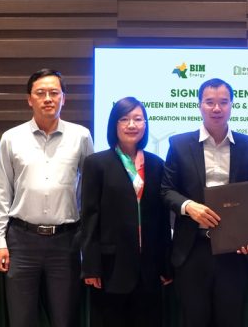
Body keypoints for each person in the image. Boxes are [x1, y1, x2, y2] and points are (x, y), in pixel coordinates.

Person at [0, 69, 93, 327]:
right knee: (21, 318)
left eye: (54, 93)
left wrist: (87, 241)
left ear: (63, 98)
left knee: (64, 319)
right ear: (29, 99)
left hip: (66, 242)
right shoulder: (11, 138)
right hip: (21, 241)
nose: (48, 98)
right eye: (40, 93)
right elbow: (2, 194)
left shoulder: (81, 136)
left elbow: (89, 192)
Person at [161, 78, 248, 327]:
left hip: (233, 251)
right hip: (192, 248)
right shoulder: (179, 144)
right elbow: (166, 190)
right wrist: (188, 206)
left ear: (231, 105)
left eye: (223, 102)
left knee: (231, 320)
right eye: (209, 102)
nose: (217, 108)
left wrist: (246, 235)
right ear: (199, 105)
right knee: (194, 320)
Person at [80, 97, 173, 327]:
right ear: (114, 124)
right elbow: (90, 217)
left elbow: (162, 220)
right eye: (124, 119)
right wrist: (91, 266)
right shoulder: (96, 163)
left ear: (145, 124)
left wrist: (165, 263)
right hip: (111, 267)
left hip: (149, 268)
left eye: (138, 119)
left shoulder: (157, 164)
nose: (132, 125)